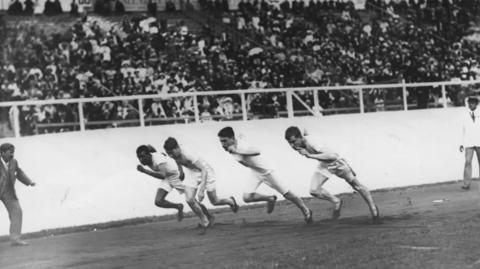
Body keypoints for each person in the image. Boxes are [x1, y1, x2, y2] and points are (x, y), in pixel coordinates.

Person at [284, 126, 380, 224]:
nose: (292, 145)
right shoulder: (298, 144)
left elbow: (331, 155)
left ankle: (373, 209)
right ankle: (336, 201)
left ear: (300, 137)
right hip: (324, 165)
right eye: (289, 142)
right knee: (314, 190)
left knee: (357, 186)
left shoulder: (314, 142)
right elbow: (304, 135)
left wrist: (310, 155)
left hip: (337, 163)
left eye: (293, 141)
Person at [217, 127, 313, 224]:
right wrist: (239, 142)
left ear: (232, 138)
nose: (222, 144)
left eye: (225, 141)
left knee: (288, 194)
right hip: (255, 171)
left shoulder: (241, 147)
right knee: (247, 197)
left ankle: (306, 211)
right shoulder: (232, 147)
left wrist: (236, 151)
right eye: (221, 141)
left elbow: (257, 151)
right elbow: (241, 139)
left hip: (267, 172)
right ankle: (270, 198)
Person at [163, 137, 239, 232]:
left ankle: (231, 201)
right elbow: (177, 160)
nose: (171, 155)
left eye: (171, 152)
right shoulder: (174, 155)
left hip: (205, 171)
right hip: (193, 172)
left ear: (177, 147)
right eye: (168, 153)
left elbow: (203, 169)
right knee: (189, 199)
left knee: (214, 201)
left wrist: (201, 190)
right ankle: (205, 221)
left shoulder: (188, 153)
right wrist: (181, 171)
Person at [136, 144, 213, 234]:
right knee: (158, 201)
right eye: (139, 157)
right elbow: (151, 148)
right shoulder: (151, 156)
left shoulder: (158, 161)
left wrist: (144, 171)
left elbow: (162, 176)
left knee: (192, 200)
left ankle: (209, 217)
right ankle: (178, 206)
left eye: (143, 156)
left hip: (176, 176)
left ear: (148, 154)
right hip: (167, 177)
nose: (141, 159)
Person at [0, 143, 36, 246]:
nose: (12, 154)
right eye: (10, 152)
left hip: (8, 192)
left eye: (13, 152)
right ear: (2, 153)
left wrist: (29, 182)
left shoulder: (14, 162)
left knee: (17, 212)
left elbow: (19, 173)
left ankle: (15, 239)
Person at [459, 97, 480, 190]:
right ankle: (466, 184)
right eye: (470, 103)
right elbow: (462, 130)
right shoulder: (464, 115)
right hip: (469, 143)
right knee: (467, 162)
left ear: (477, 104)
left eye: (473, 103)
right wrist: (461, 144)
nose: (471, 105)